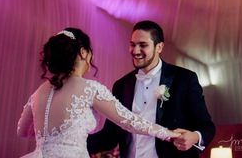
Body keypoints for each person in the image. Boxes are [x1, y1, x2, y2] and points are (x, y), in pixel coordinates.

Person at [17, 28, 179, 158]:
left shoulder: (39, 92)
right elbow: (130, 121)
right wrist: (169, 133)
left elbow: (22, 131)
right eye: (90, 51)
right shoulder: (89, 88)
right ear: (83, 52)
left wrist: (51, 138)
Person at [87, 20, 215, 158]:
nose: (135, 51)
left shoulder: (184, 79)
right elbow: (109, 135)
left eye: (143, 45)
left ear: (159, 47)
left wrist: (194, 137)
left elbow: (207, 126)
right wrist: (74, 140)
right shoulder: (121, 85)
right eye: (132, 44)